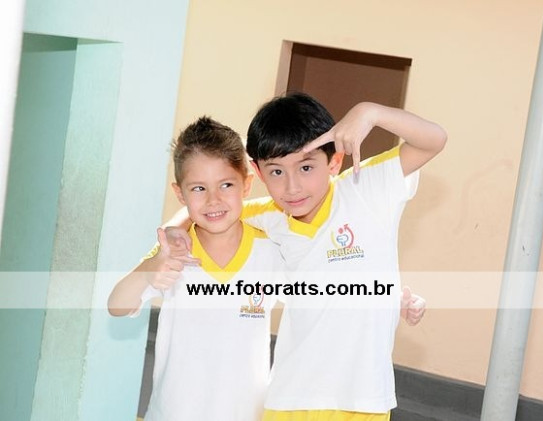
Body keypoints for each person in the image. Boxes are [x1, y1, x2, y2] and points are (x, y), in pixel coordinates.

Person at [166, 92, 444, 421]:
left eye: (306, 167)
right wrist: (174, 230)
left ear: (335, 161)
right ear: (258, 171)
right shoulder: (269, 215)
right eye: (276, 172)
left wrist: (368, 111)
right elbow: (210, 210)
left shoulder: (366, 188)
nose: (292, 187)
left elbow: (433, 140)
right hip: (291, 398)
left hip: (364, 400)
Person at [108, 117, 284, 421]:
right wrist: (152, 267)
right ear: (180, 194)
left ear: (246, 184)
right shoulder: (174, 251)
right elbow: (117, 305)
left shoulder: (270, 251)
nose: (214, 200)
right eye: (199, 188)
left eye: (226, 185)